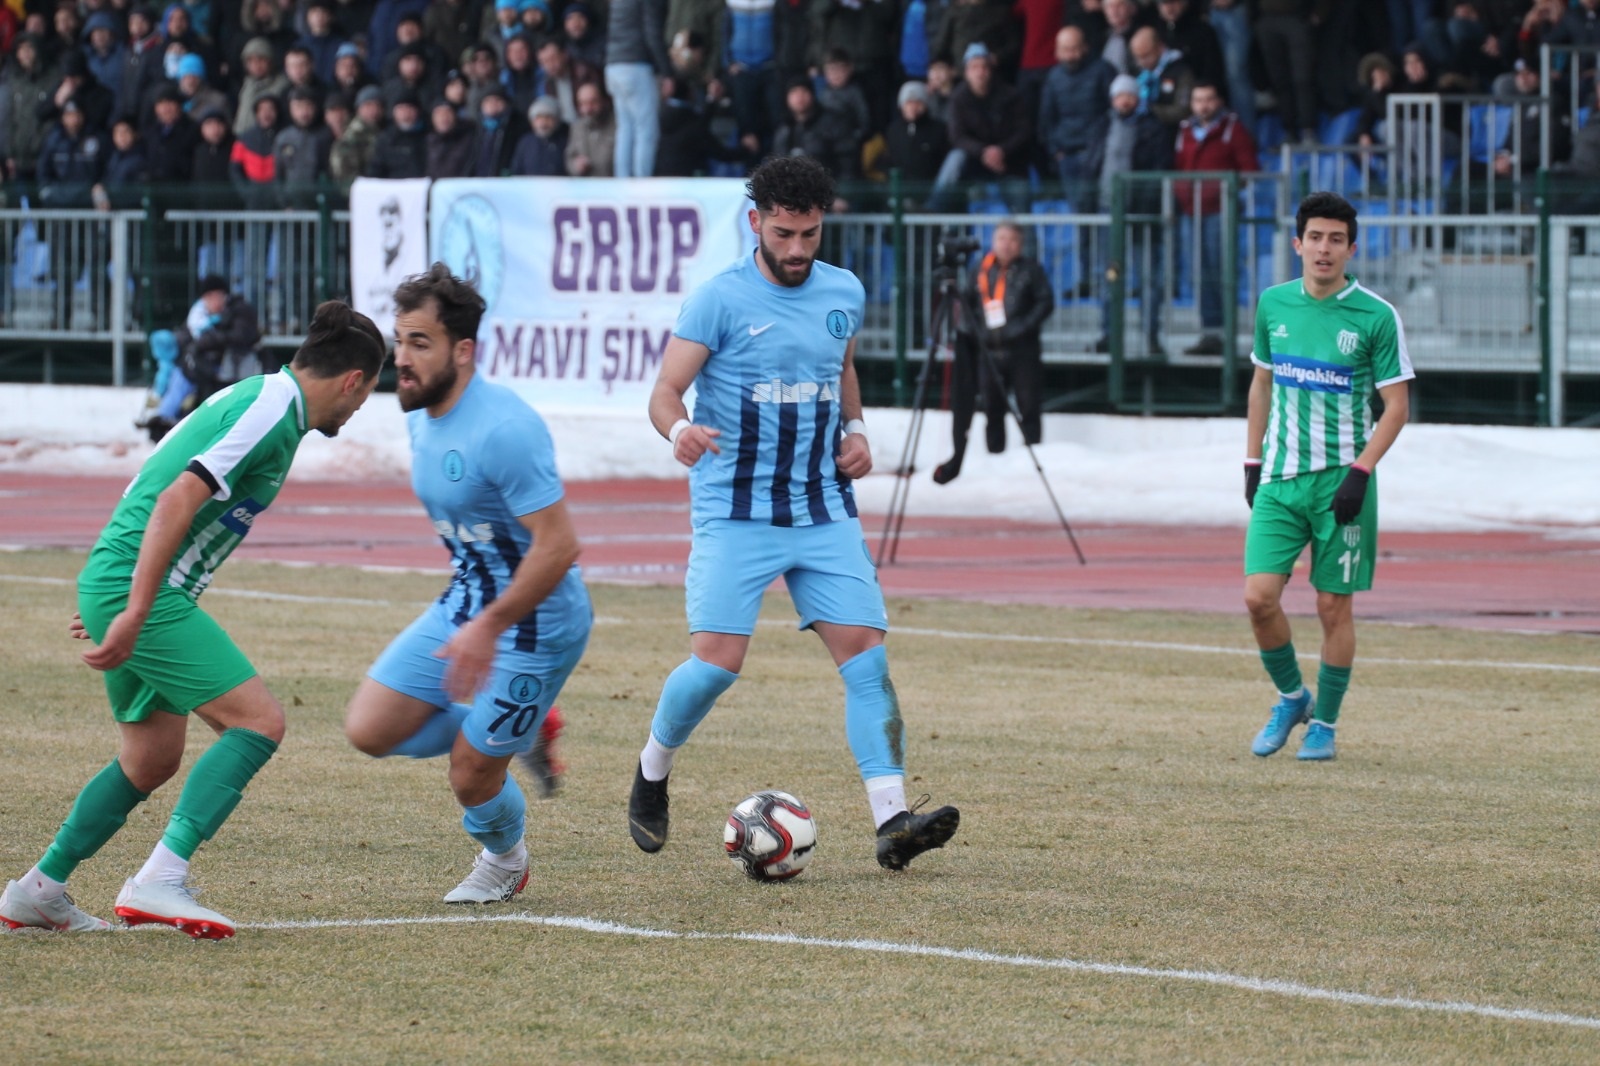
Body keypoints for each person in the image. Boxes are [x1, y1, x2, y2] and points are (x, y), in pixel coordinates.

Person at [0, 302, 385, 937]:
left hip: (126, 579)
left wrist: (114, 589)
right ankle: (160, 879)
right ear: (353, 381)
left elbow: (156, 477)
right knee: (259, 722)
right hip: (141, 588)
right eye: (366, 396)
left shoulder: (265, 401)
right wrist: (133, 603)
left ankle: (38, 891)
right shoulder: (270, 412)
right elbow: (178, 494)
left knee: (150, 758)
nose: (358, 409)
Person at [628, 155, 960, 872]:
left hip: (822, 507)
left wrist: (857, 430)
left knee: (866, 658)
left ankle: (893, 822)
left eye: (809, 234)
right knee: (716, 665)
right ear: (756, 222)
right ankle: (652, 771)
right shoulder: (717, 299)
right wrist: (678, 430)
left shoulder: (844, 290)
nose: (798, 248)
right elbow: (664, 390)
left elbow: (840, 366)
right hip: (735, 509)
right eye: (783, 234)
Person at [344, 263, 591, 904]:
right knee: (369, 729)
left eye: (420, 343)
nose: (403, 358)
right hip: (469, 599)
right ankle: (519, 729)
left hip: (537, 623)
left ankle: (505, 859)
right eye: (401, 341)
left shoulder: (505, 430)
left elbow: (559, 545)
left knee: (472, 775)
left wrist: (490, 627)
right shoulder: (419, 411)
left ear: (463, 351)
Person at [1244, 192, 1415, 763]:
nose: (1324, 248)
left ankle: (1326, 726)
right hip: (1280, 479)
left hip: (1343, 482)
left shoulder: (1375, 315)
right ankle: (1293, 697)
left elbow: (1396, 407)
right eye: (1315, 237)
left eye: (1336, 239)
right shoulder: (1273, 303)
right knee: (1258, 598)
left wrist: (1361, 472)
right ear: (1298, 244)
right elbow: (1261, 384)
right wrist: (1252, 461)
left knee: (1332, 607)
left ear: (1351, 249)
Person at [933, 221, 1054, 485]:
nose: (1006, 245)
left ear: (1020, 244)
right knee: (991, 407)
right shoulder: (980, 268)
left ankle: (1030, 459)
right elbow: (967, 304)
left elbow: (1045, 303)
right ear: (993, 241)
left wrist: (1020, 328)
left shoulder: (1031, 270)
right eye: (1001, 238)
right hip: (988, 350)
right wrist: (976, 333)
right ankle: (995, 461)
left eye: (1012, 239)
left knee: (1028, 405)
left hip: (1022, 349)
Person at [1174, 80, 1258, 356]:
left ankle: (1227, 331)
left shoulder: (1233, 130)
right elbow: (1179, 167)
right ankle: (1210, 333)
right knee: (1200, 273)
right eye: (1198, 100)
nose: (1204, 106)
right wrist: (1182, 194)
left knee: (1222, 269)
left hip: (1221, 210)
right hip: (1192, 211)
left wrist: (1227, 193)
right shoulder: (1185, 131)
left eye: (1209, 99)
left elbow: (1249, 169)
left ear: (1219, 101)